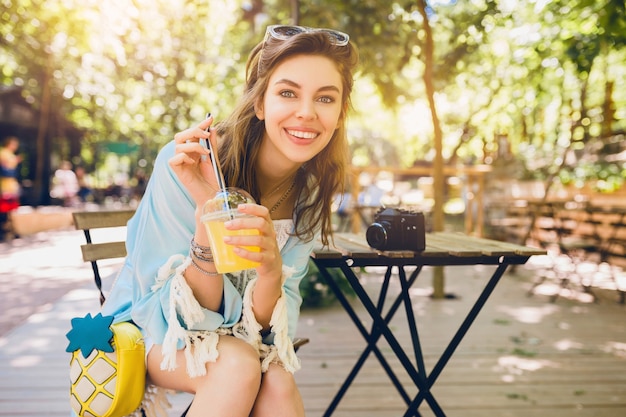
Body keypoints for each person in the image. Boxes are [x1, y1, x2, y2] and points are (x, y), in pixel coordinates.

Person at [100, 25, 359, 417]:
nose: (307, 112)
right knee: (238, 365)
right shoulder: (189, 162)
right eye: (288, 92)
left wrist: (271, 272)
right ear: (260, 103)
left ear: (339, 115)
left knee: (276, 380)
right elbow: (178, 318)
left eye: (325, 98)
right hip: (146, 332)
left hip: (238, 343)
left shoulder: (309, 192)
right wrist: (210, 211)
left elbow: (270, 333)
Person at [0, 136, 22, 240]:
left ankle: (11, 231)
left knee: (10, 210)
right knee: (4, 210)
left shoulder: (11, 154)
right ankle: (4, 232)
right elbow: (4, 171)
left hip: (11, 186)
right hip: (4, 186)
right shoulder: (3, 153)